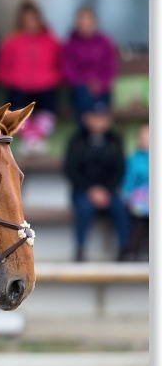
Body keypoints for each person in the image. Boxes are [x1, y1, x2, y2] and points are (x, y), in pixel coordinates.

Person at [62, 102, 130, 262]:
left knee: (121, 209)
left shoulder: (115, 140)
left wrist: (106, 190)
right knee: (84, 209)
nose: (100, 121)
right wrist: (90, 190)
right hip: (82, 191)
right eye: (96, 117)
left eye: (103, 117)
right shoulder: (76, 140)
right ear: (87, 119)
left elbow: (120, 170)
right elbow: (70, 170)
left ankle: (124, 249)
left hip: (109, 191)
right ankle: (80, 249)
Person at [0, 1, 63, 155]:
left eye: (33, 18)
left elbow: (61, 65)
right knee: (16, 110)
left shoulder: (51, 41)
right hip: (19, 88)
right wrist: (15, 79)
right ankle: (35, 142)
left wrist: (50, 78)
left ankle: (32, 141)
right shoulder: (11, 41)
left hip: (45, 87)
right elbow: (0, 70)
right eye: (26, 19)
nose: (30, 23)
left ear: (39, 19)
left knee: (49, 109)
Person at [62, 6, 119, 128]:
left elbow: (110, 67)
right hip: (79, 88)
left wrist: (101, 83)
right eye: (81, 23)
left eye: (88, 23)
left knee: (99, 105)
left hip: (101, 88)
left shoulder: (105, 42)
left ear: (94, 23)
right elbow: (68, 70)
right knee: (84, 98)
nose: (85, 26)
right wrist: (84, 83)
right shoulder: (70, 44)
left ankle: (99, 138)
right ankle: (86, 137)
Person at [121, 123, 149, 261]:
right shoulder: (134, 158)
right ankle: (134, 250)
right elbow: (129, 180)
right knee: (139, 219)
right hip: (140, 198)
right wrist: (127, 195)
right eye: (144, 136)